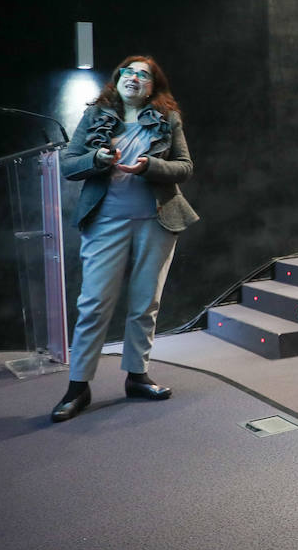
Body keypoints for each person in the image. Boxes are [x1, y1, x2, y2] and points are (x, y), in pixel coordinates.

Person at [52, 56, 197, 423]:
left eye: (143, 75)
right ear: (117, 81)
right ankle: (78, 387)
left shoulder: (168, 119)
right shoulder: (96, 116)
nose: (135, 78)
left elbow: (184, 167)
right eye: (128, 73)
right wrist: (98, 158)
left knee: (145, 302)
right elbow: (69, 164)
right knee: (94, 303)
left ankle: (137, 376)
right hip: (105, 222)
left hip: (157, 220)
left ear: (153, 86)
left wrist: (150, 166)